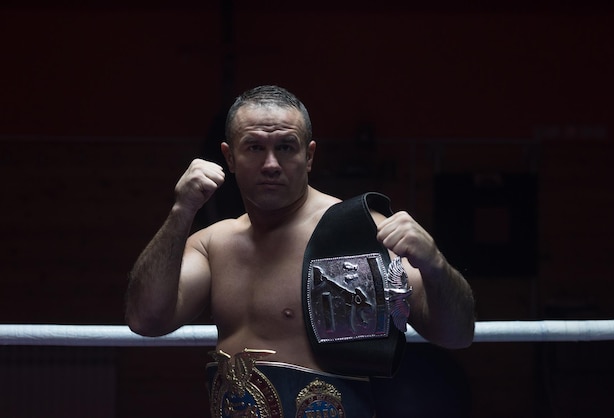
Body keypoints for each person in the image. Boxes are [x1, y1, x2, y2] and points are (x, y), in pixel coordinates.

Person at [125, 85, 475, 417]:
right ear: (229, 158)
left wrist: (435, 264)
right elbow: (147, 319)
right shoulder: (213, 244)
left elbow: (456, 334)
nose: (271, 164)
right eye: (255, 148)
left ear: (308, 156)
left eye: (286, 147)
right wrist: (181, 212)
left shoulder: (362, 231)